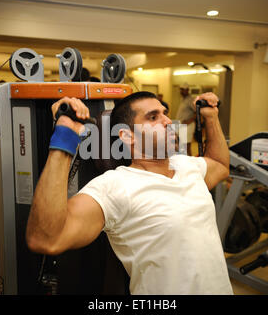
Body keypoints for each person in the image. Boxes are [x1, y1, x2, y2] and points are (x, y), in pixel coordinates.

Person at [26, 91, 232, 294]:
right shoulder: (116, 187)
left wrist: (211, 118)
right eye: (153, 117)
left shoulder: (187, 166)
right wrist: (64, 138)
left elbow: (221, 165)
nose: (168, 121)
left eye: (165, 113)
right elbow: (46, 239)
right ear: (127, 136)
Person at [175, 83, 196, 156]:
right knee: (181, 146)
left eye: (183, 90)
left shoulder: (191, 100)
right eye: (181, 90)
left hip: (188, 125)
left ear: (187, 90)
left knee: (186, 147)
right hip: (181, 125)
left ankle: (191, 165)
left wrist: (189, 121)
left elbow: (198, 112)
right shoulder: (183, 99)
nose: (181, 91)